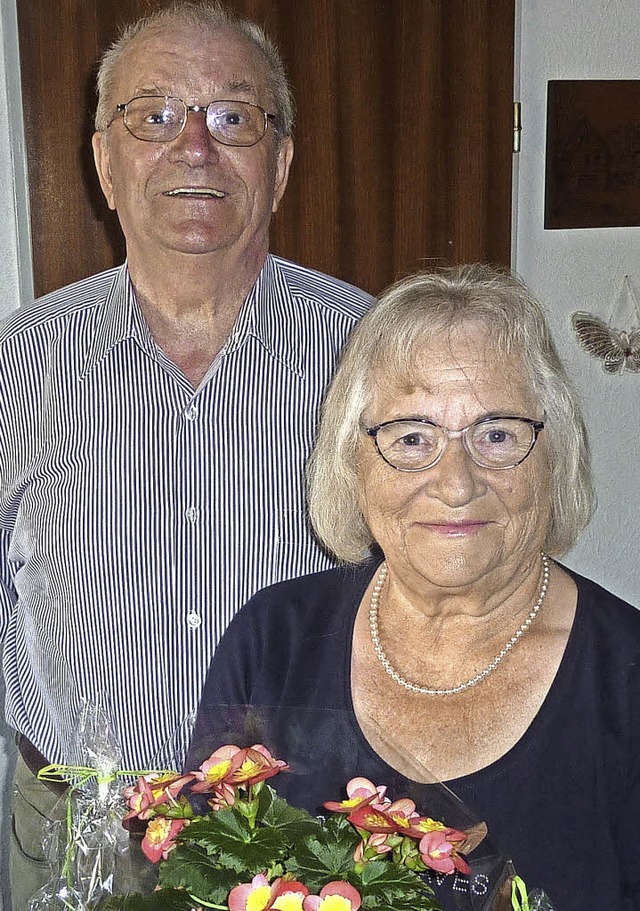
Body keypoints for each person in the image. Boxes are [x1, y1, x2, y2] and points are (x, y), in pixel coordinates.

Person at [0, 1, 371, 903]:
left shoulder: (375, 351)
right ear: (104, 164)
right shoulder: (19, 358)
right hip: (73, 839)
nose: (194, 148)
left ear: (279, 165)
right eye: (154, 115)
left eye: (232, 117)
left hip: (311, 843)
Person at [188, 264, 640, 911]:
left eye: (497, 434)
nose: (456, 482)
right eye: (411, 437)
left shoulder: (627, 683)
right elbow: (199, 874)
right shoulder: (273, 641)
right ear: (354, 462)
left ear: (554, 455)